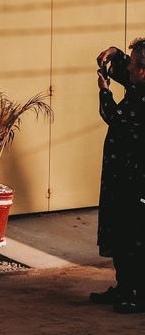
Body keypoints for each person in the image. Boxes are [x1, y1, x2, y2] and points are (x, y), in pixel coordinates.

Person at [91, 39, 145, 313]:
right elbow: (122, 69)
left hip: (136, 183)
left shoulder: (141, 99)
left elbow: (113, 116)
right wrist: (114, 52)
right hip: (120, 178)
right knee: (120, 233)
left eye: (133, 63)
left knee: (135, 237)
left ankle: (137, 294)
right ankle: (124, 288)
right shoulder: (137, 88)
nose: (128, 67)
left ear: (143, 71)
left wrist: (104, 92)